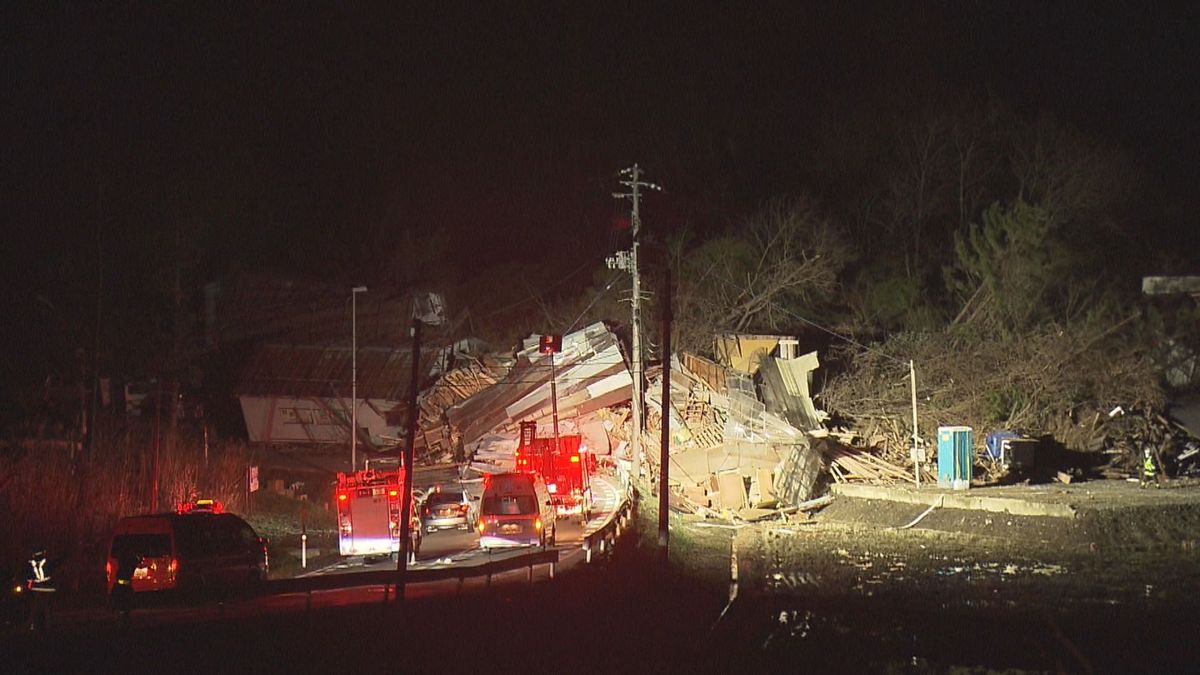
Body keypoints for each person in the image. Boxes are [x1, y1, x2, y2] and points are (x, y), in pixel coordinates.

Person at [26, 548, 55, 631]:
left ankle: (44, 624)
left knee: (39, 606)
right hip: (41, 587)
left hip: (42, 587)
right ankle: (42, 624)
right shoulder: (39, 563)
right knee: (39, 606)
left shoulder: (43, 563)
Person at [112, 550, 140, 624]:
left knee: (124, 604)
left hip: (123, 587)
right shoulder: (127, 567)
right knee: (122, 603)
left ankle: (123, 617)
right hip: (123, 588)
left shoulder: (126, 567)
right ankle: (121, 616)